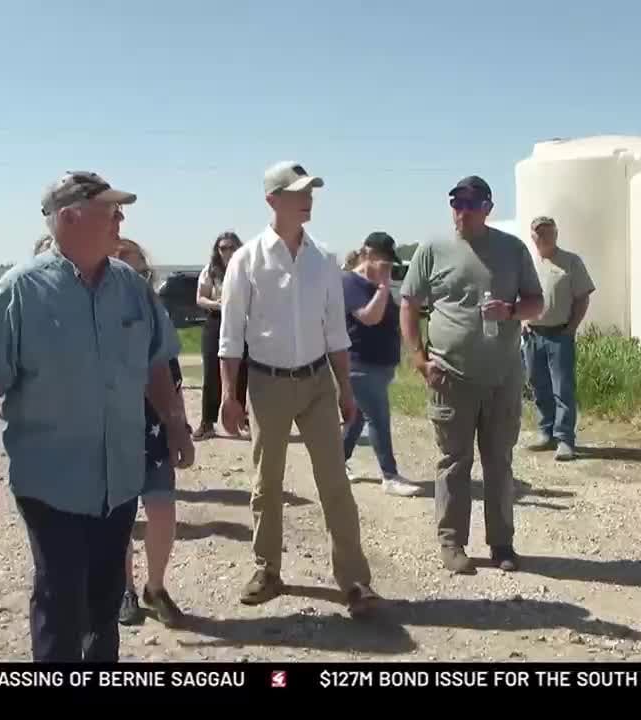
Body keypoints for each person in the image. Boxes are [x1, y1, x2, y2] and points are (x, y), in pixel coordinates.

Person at [0, 171, 192, 661]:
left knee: (105, 604)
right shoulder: (20, 291)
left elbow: (155, 362)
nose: (121, 218)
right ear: (69, 217)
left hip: (119, 477)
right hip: (51, 482)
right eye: (111, 208)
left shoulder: (131, 288)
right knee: (61, 603)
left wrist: (174, 422)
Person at [218, 160, 379, 617]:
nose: (308, 198)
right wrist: (230, 396)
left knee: (335, 483)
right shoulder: (247, 260)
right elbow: (230, 336)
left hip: (317, 383)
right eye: (298, 192)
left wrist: (345, 389)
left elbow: (335, 331)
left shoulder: (323, 258)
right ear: (273, 199)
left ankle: (355, 581)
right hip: (267, 383)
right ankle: (267, 569)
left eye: (311, 191)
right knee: (266, 483)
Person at [399, 175, 545, 574]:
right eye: (455, 203)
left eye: (470, 204)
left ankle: (502, 544)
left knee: (499, 461)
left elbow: (537, 304)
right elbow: (409, 303)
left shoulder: (512, 249)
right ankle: (452, 543)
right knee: (453, 461)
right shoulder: (433, 249)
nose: (461, 211)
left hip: (502, 377)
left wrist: (512, 312)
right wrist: (419, 358)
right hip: (450, 376)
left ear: (487, 208)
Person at [114, 238, 192, 629]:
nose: (137, 278)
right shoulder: (98, 314)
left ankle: (155, 587)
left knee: (162, 513)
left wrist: (182, 426)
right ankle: (125, 588)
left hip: (155, 428)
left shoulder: (154, 312)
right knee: (123, 519)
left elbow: (171, 376)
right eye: (127, 270)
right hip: (114, 431)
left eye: (142, 271)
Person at [340, 232, 419, 497]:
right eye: (383, 262)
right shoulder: (349, 282)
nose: (387, 268)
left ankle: (337, 462)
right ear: (368, 255)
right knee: (378, 417)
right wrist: (384, 287)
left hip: (381, 363)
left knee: (359, 417)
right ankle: (389, 475)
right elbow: (369, 317)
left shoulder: (379, 287)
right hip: (361, 362)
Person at [521, 216, 595, 462]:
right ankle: (546, 432)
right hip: (532, 335)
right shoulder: (528, 263)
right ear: (533, 237)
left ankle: (565, 439)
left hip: (559, 334)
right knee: (537, 384)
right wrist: (522, 322)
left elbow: (583, 297)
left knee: (562, 388)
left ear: (556, 234)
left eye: (548, 232)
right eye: (538, 233)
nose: (543, 237)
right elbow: (518, 297)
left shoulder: (571, 262)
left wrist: (572, 327)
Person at [194, 232, 248, 439]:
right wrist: (217, 304)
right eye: (222, 248)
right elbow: (200, 298)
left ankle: (241, 420)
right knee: (211, 372)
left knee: (242, 371)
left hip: (241, 321)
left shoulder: (246, 269)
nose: (227, 252)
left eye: (231, 247)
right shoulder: (210, 271)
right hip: (216, 320)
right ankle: (207, 422)